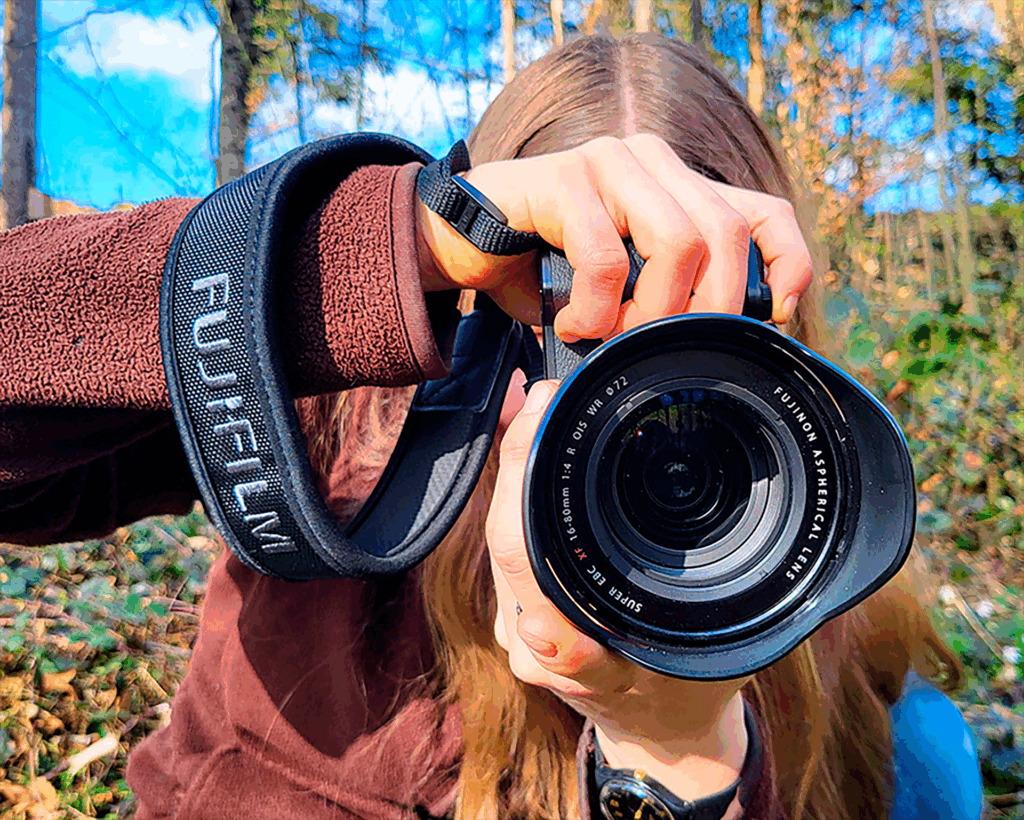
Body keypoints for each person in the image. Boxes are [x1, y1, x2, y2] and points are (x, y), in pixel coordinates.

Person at [0, 33, 980, 820]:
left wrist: (680, 753)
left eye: (699, 342)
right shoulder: (347, 413)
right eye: (572, 324)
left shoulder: (831, 613)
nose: (626, 403)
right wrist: (387, 247)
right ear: (488, 308)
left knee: (927, 748)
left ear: (783, 356)